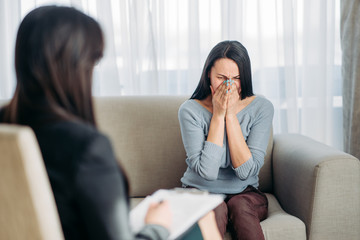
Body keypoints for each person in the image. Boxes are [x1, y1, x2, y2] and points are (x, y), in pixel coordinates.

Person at [0, 6, 221, 240]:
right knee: (203, 218)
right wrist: (157, 226)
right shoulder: (87, 148)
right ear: (76, 67)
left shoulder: (7, 127)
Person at [178, 40, 274, 240]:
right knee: (215, 208)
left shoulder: (261, 108)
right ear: (209, 76)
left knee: (239, 206)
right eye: (221, 77)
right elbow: (207, 173)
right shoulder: (190, 110)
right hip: (200, 190)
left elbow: (247, 171)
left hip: (245, 193)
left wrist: (230, 116)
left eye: (236, 78)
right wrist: (218, 115)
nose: (229, 85)